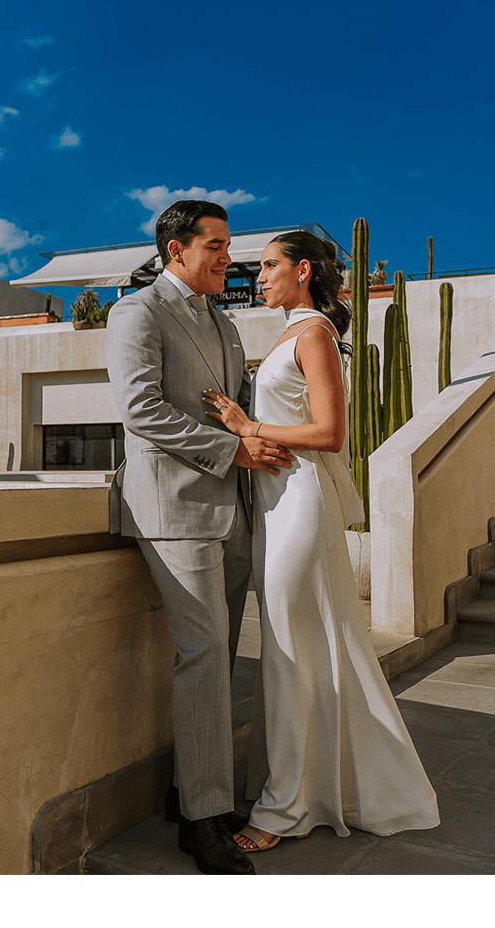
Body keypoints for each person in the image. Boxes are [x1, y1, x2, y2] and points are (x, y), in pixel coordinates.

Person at [202, 230, 439, 851]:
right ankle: (300, 787)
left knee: (287, 650)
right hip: (274, 501)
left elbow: (332, 432)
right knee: (297, 648)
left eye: (269, 265)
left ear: (303, 270)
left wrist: (246, 423)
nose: (257, 275)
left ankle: (286, 811)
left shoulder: (313, 334)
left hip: (299, 499)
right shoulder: (289, 331)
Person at [105, 200, 294, 875]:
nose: (226, 257)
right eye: (214, 245)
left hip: (233, 512)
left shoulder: (225, 323)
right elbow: (141, 409)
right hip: (172, 511)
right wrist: (233, 451)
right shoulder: (136, 312)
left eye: (228, 244)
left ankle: (191, 789)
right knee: (206, 653)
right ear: (174, 249)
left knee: (217, 657)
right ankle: (201, 819)